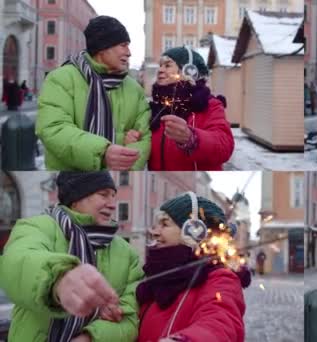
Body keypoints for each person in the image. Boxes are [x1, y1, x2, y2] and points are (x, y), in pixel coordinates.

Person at [0, 171, 144, 341]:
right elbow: (17, 261)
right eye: (104, 195)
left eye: (113, 196)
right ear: (76, 199)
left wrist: (89, 337)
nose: (113, 204)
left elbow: (130, 320)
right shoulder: (37, 226)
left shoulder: (128, 254)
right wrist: (57, 279)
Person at [36, 15, 151, 171]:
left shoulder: (134, 88)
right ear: (103, 48)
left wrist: (122, 168)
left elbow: (143, 137)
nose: (129, 52)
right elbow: (54, 129)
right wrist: (105, 151)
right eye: (123, 45)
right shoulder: (60, 79)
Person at [137, 193, 245, 342]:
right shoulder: (153, 276)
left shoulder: (221, 279)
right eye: (157, 224)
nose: (154, 232)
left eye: (165, 224)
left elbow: (220, 323)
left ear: (193, 232)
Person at [138, 46, 234, 171]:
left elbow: (224, 147)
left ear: (189, 71)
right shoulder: (156, 108)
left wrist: (192, 138)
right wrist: (137, 140)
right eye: (160, 66)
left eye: (167, 65)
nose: (160, 70)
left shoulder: (209, 105)